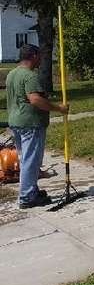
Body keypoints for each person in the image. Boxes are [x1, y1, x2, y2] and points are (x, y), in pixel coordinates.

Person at [6, 44, 69, 209]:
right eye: (39, 56)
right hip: (30, 123)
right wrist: (59, 108)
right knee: (31, 161)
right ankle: (27, 197)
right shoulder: (29, 76)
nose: (41, 59)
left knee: (25, 159)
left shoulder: (12, 74)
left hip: (15, 122)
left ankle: (31, 190)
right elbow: (35, 100)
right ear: (33, 56)